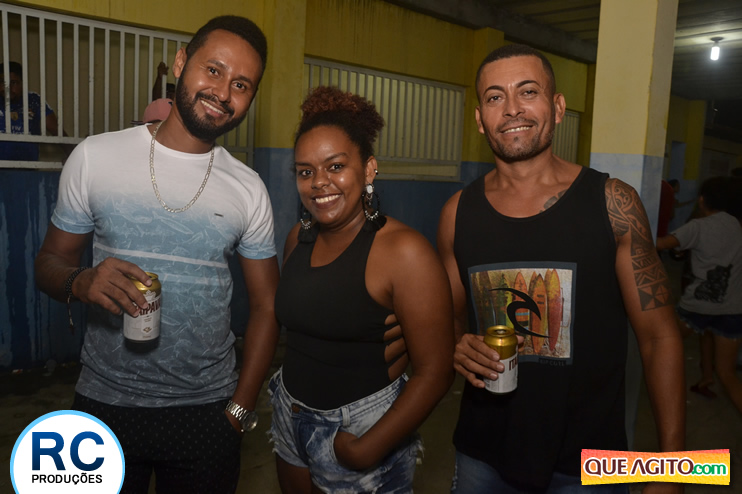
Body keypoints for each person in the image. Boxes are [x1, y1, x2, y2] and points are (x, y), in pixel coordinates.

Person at [34, 15, 279, 494]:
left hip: (206, 414)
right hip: (104, 406)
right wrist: (80, 281)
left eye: (241, 84)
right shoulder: (95, 157)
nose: (223, 92)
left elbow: (268, 306)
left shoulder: (248, 188)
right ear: (181, 63)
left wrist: (239, 408)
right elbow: (47, 264)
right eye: (213, 70)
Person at [436, 44, 685, 493]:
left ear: (557, 107)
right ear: (479, 119)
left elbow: (659, 338)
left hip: (592, 464)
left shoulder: (614, 203)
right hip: (483, 456)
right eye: (495, 97)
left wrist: (674, 466)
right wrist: (459, 345)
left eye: (528, 91)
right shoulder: (457, 214)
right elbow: (452, 320)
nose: (512, 108)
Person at [269, 86, 454, 494]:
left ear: (369, 169)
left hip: (360, 429)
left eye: (335, 166)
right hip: (288, 415)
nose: (319, 183)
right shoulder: (297, 238)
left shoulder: (404, 252)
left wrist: (368, 448)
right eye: (305, 172)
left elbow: (436, 370)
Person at [657, 177, 742, 413]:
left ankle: (664, 396)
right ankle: (706, 378)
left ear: (702, 200)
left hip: (697, 308)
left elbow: (661, 244)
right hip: (733, 310)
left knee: (661, 345)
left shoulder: (698, 226)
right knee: (728, 374)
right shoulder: (737, 225)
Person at [0, 61, 63, 161]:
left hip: (28, 167)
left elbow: (57, 131)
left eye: (13, 83)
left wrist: (73, 155)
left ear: (22, 83)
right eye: (3, 83)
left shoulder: (33, 100)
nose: (8, 88)